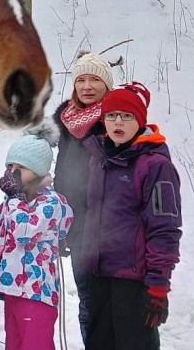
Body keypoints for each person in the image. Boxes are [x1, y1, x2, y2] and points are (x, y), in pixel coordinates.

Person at [80, 82, 181, 350]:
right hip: (99, 276)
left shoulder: (155, 166)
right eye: (112, 115)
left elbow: (165, 228)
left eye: (127, 116)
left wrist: (158, 283)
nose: (118, 123)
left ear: (140, 120)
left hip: (134, 282)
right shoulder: (99, 159)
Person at [0, 128, 73, 350]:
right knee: (15, 344)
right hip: (13, 290)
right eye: (10, 167)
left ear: (37, 171)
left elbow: (24, 232)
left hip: (36, 292)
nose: (13, 172)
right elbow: (0, 236)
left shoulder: (51, 203)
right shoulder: (9, 203)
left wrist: (15, 199)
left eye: (21, 168)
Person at [51, 50, 114, 340]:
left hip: (112, 229)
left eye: (95, 80)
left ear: (107, 85)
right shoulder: (67, 122)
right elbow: (61, 174)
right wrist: (60, 222)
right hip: (77, 228)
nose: (87, 86)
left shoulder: (118, 120)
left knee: (115, 303)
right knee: (88, 300)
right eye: (81, 80)